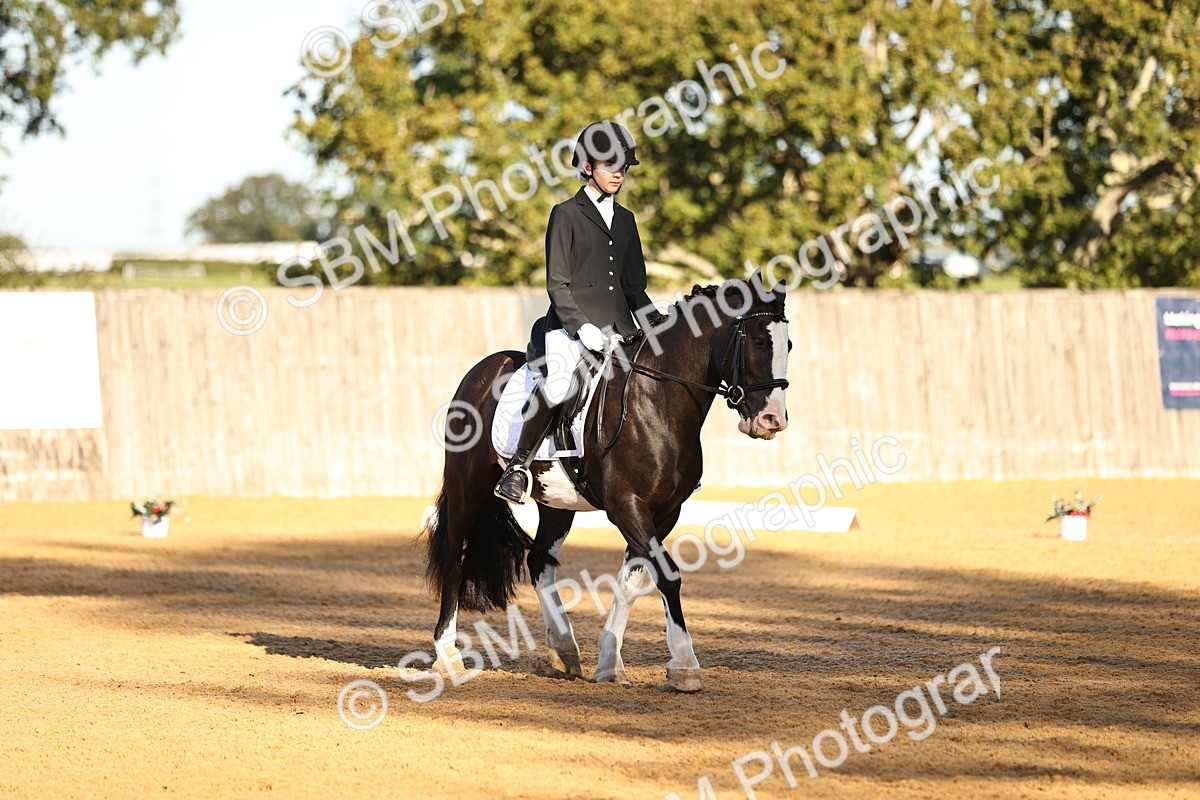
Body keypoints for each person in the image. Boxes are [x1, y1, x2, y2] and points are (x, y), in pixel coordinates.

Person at [494, 120, 664, 504]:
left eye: (623, 166)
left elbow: (635, 290)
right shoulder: (565, 214)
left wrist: (660, 326)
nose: (618, 173)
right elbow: (557, 284)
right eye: (610, 165)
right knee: (557, 385)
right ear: (587, 167)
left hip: (621, 329)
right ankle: (518, 467)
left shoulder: (626, 220)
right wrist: (581, 327)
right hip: (571, 328)